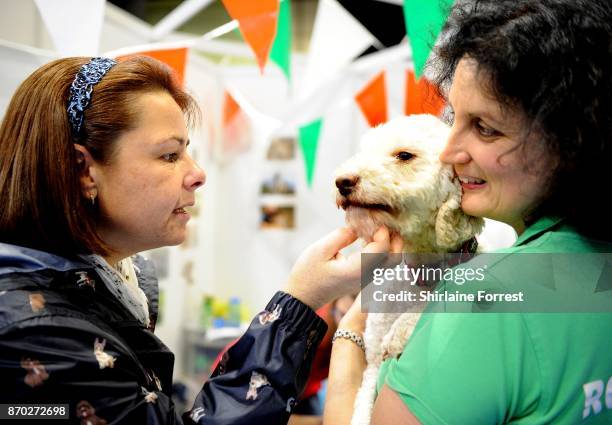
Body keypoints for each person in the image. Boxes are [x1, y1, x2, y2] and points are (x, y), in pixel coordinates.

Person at [0, 55, 398, 424]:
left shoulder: (114, 286)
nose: (198, 174)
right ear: (83, 169)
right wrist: (305, 302)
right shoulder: (32, 330)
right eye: (170, 156)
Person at [323, 0, 612, 424]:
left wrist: (348, 338)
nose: (450, 151)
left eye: (485, 128)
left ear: (569, 141)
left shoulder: (484, 294)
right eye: (455, 117)